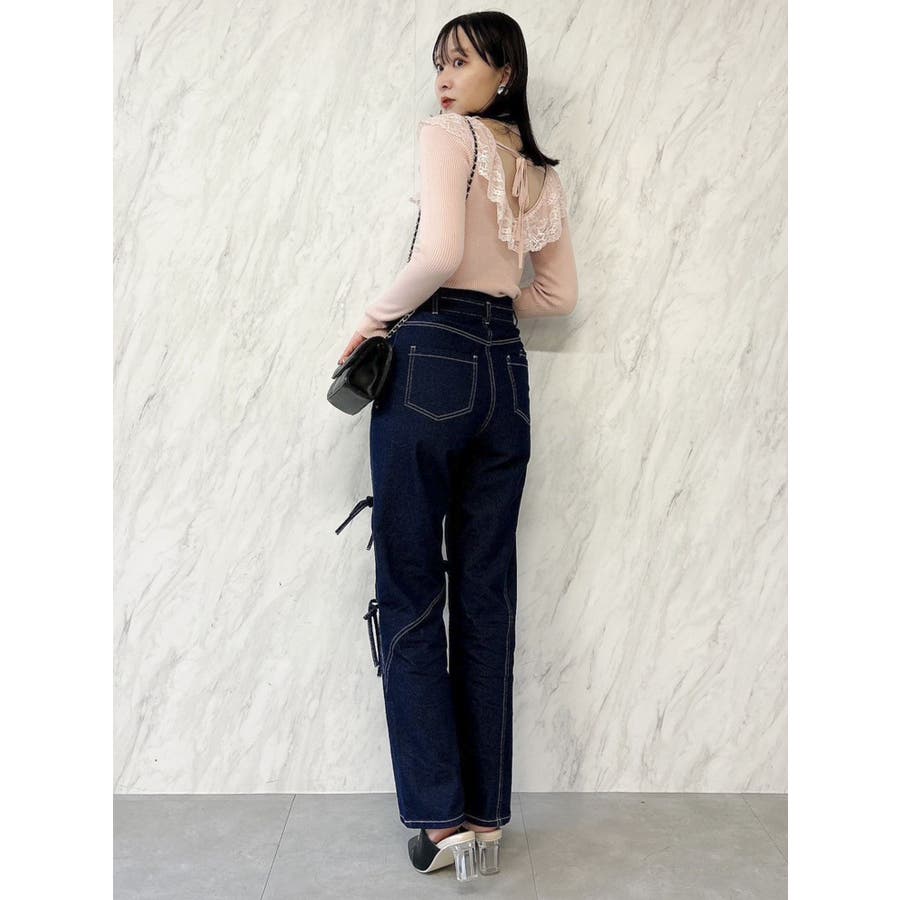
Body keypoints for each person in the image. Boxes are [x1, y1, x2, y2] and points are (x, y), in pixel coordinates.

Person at [336, 11, 578, 881]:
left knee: (410, 586)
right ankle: (486, 818)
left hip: (430, 360)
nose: (444, 77)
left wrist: (372, 320)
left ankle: (441, 825)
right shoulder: (535, 168)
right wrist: (495, 304)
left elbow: (438, 252)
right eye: (439, 62)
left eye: (463, 61)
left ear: (504, 72)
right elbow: (557, 294)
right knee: (485, 594)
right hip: (505, 373)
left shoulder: (448, 137)